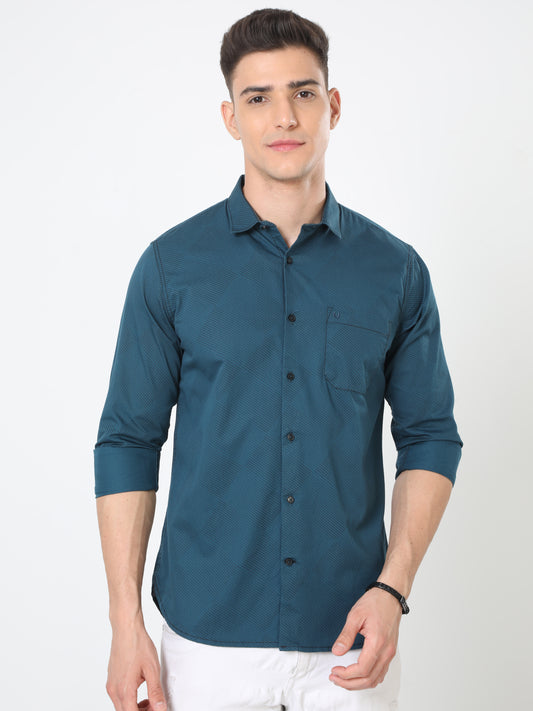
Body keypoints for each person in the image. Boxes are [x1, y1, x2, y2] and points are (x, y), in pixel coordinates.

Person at [93, 8, 463, 711]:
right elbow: (128, 442)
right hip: (204, 642)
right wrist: (124, 620)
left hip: (350, 637)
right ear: (231, 118)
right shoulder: (170, 267)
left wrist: (392, 590)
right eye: (258, 98)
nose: (284, 116)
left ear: (333, 106)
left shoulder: (395, 272)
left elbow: (430, 436)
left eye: (302, 92)